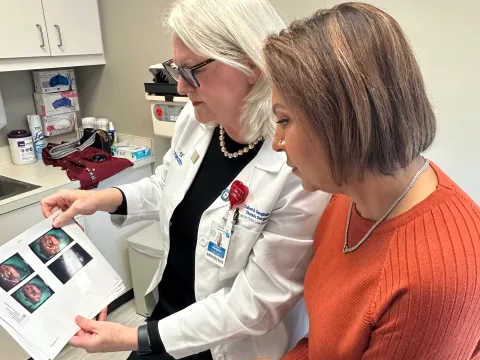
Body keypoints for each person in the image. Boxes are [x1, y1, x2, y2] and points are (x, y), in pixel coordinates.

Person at [40, 0, 330, 359]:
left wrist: (132, 339)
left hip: (227, 344)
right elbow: (167, 185)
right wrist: (99, 199)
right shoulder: (197, 122)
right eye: (176, 69)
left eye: (192, 71)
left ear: (251, 65)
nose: (180, 87)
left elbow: (254, 305)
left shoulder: (299, 167)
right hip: (168, 316)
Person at [264, 2, 480, 359]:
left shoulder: (438, 278)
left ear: (340, 122)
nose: (277, 142)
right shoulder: (346, 198)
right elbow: (324, 345)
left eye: (284, 120)